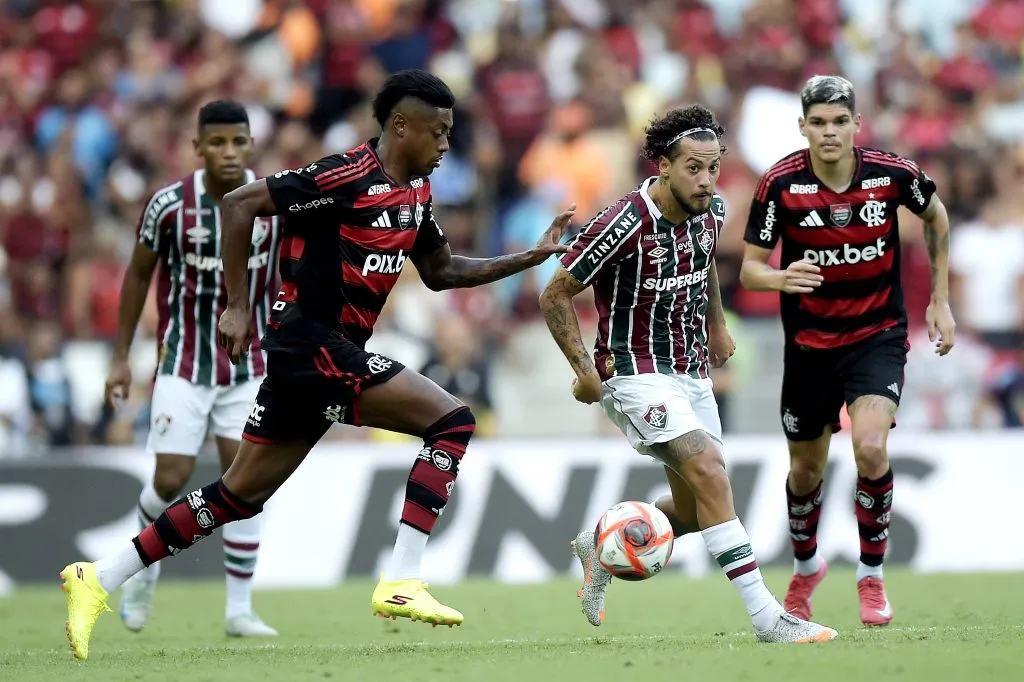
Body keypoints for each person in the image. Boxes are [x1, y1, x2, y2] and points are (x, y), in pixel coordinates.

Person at [60, 69, 573, 661]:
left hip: (316, 356)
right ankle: (403, 580)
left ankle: (97, 577)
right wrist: (236, 304)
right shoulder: (346, 174)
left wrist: (531, 257)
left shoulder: (417, 195)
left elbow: (442, 272)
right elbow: (240, 204)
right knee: (452, 421)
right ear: (401, 127)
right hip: (311, 345)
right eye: (438, 132)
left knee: (238, 495)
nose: (445, 145)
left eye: (449, 133)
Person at [539, 104, 837, 644]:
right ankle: (769, 618)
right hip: (633, 371)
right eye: (693, 168)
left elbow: (704, 269)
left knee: (699, 510)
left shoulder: (713, 211)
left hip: (691, 369)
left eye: (713, 167)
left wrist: (719, 326)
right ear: (664, 167)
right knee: (708, 468)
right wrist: (584, 371)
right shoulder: (620, 224)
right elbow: (554, 293)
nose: (705, 180)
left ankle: (601, 543)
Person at [739, 75, 956, 627]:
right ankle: (807, 566)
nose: (829, 131)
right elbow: (749, 271)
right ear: (803, 127)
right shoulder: (780, 184)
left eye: (840, 121)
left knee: (871, 449)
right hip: (810, 349)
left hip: (876, 337)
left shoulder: (891, 173)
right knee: (806, 472)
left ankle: (871, 577)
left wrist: (940, 301)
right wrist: (782, 277)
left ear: (857, 125)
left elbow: (936, 216)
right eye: (819, 122)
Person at [103, 100, 280, 638]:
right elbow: (137, 277)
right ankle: (143, 571)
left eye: (238, 142)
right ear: (197, 146)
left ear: (250, 145)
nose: (228, 152)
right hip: (182, 361)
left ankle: (239, 610)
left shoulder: (273, 201)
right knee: (170, 478)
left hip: (249, 364)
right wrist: (119, 357)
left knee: (247, 484)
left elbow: (289, 273)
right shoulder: (167, 206)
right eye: (217, 142)